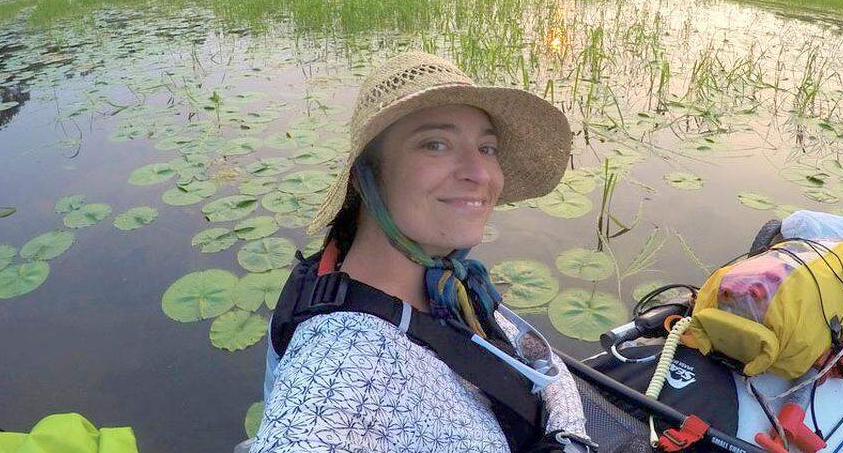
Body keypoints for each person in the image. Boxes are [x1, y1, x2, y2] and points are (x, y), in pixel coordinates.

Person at [249, 51, 594, 453]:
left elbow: (542, 366)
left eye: (487, 148)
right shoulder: (337, 370)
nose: (481, 174)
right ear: (365, 175)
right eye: (436, 144)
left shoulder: (446, 284)